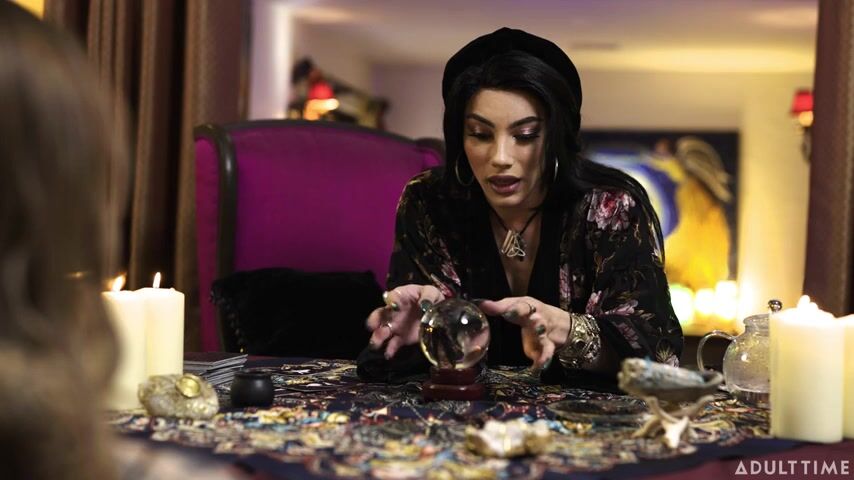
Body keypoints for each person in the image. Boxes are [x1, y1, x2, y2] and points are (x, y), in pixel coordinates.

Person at [358, 28, 683, 386]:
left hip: (579, 420)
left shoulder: (610, 207)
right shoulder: (429, 202)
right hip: (461, 417)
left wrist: (568, 330)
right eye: (480, 134)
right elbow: (410, 358)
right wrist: (414, 333)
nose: (500, 157)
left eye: (525, 136)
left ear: (557, 136)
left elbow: (658, 356)